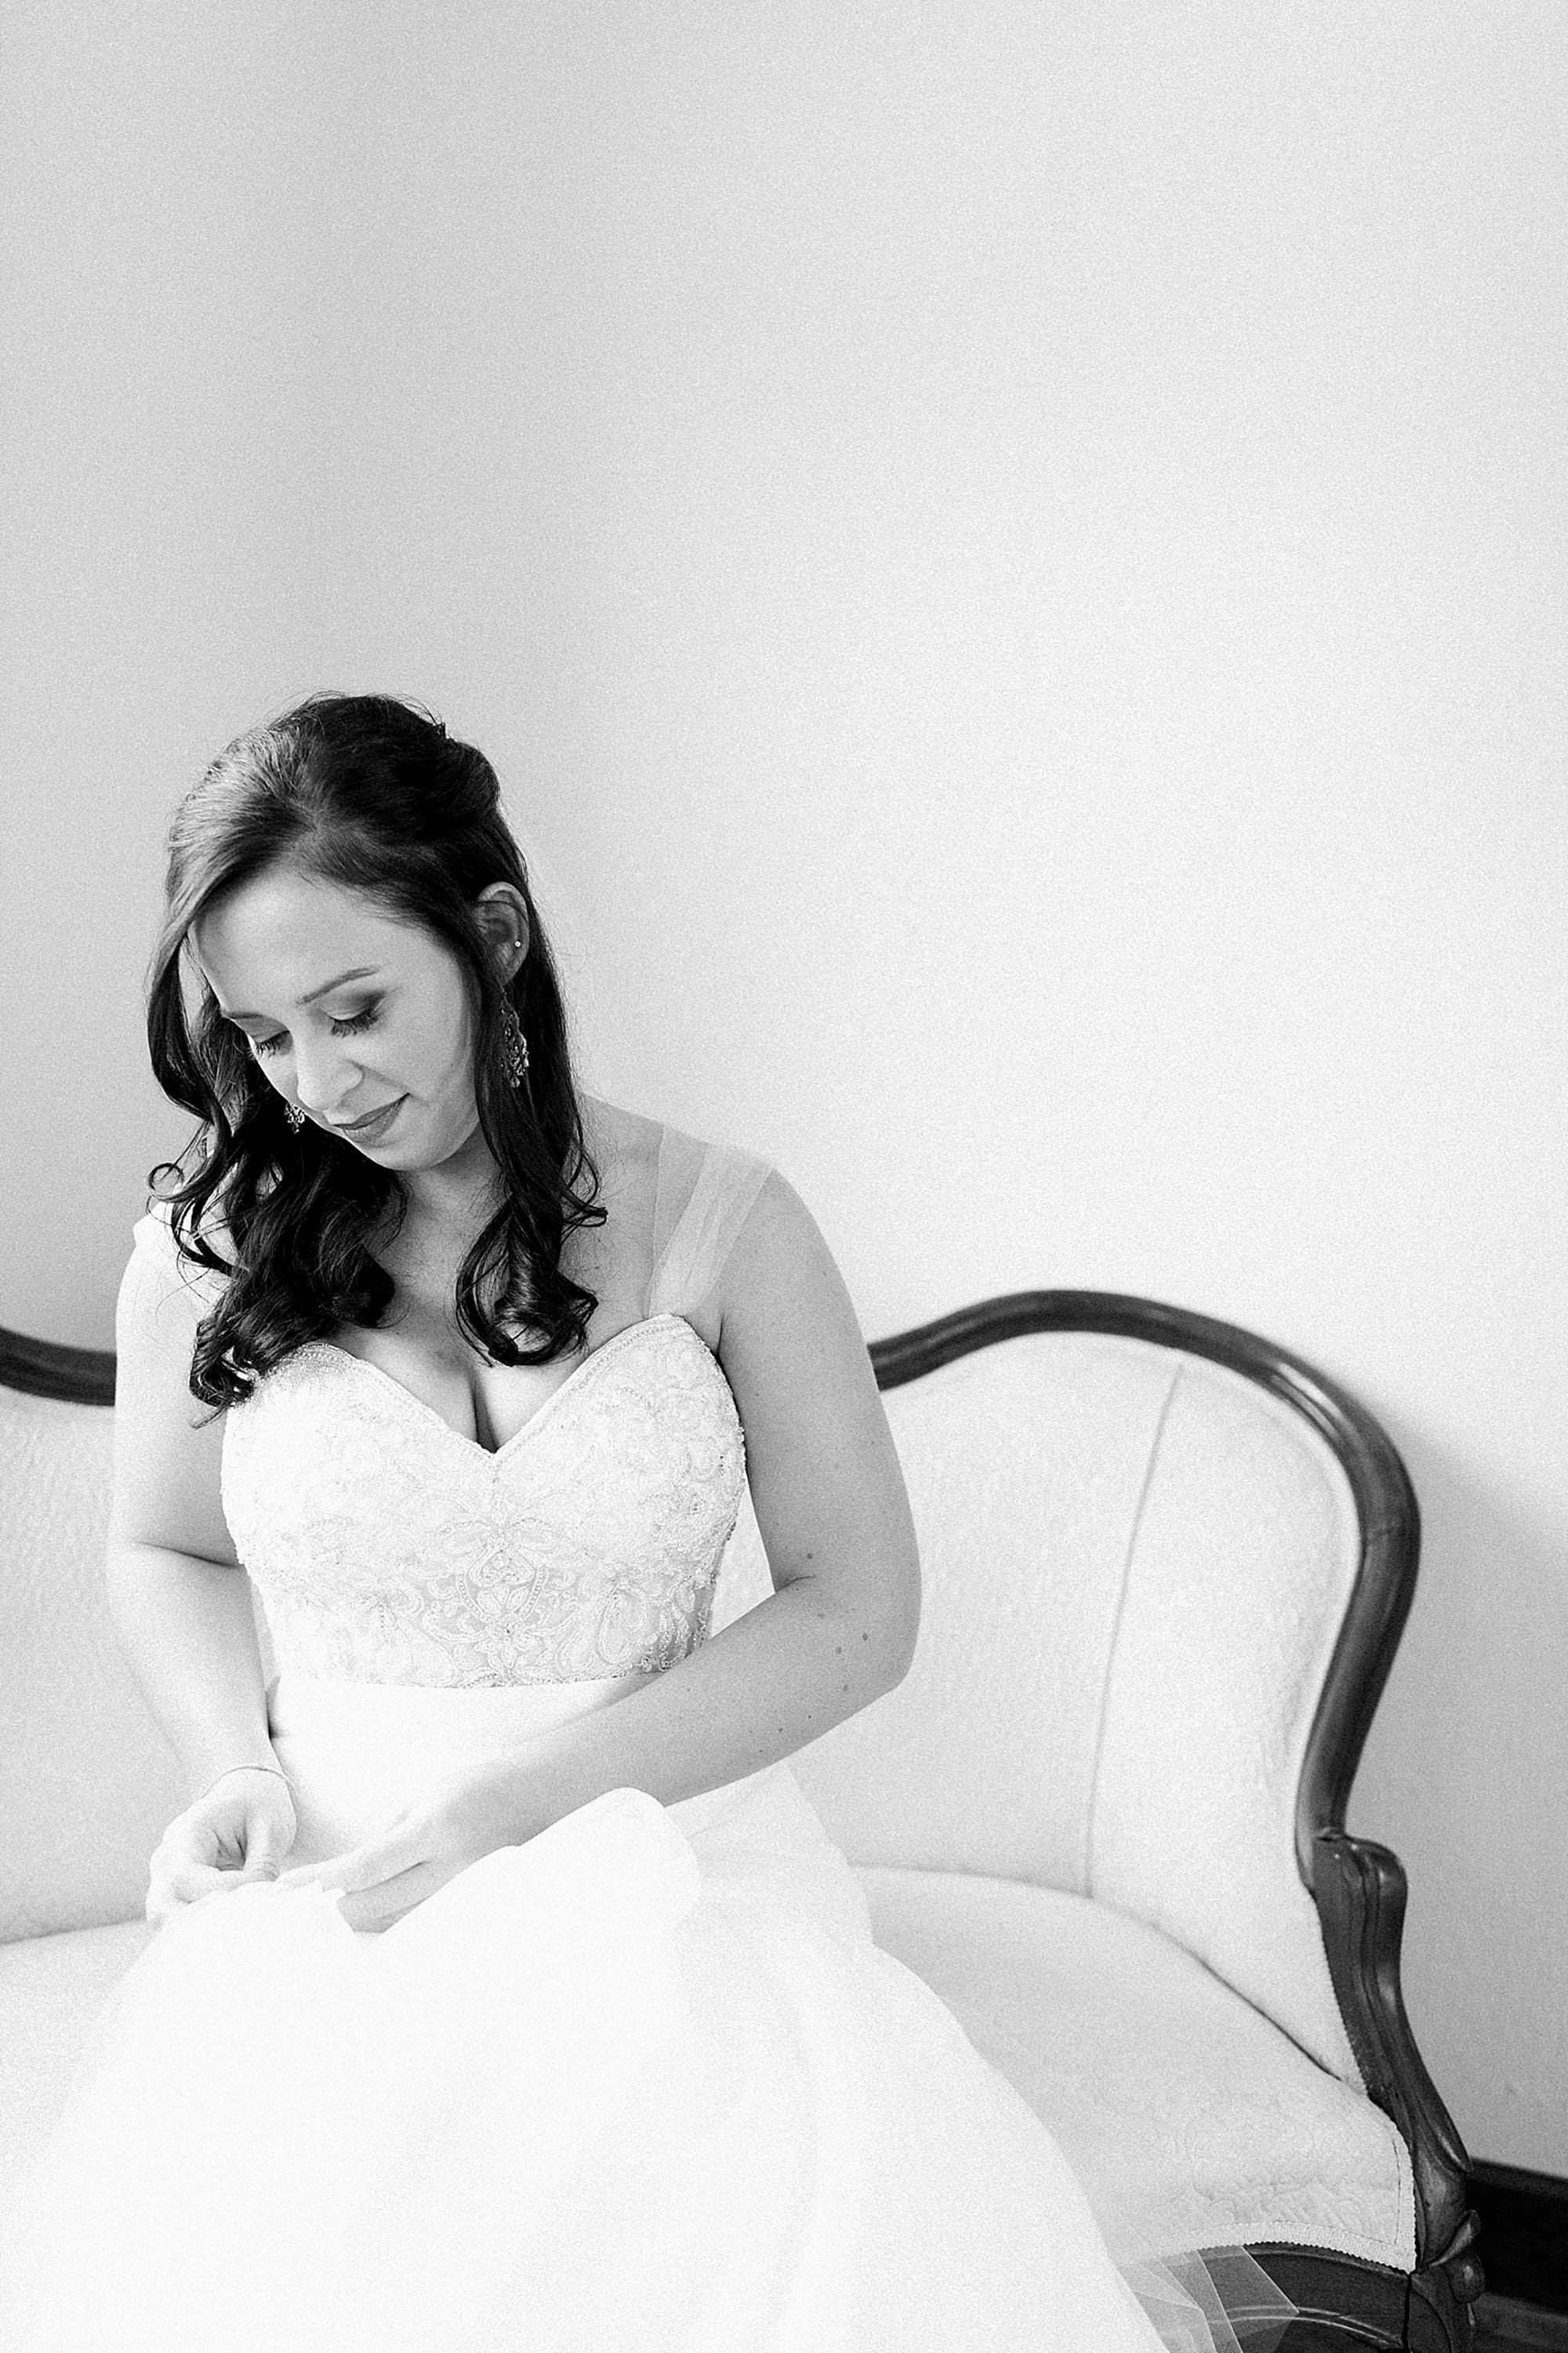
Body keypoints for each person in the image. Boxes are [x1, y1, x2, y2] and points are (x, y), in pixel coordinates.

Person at [0, 695, 1293, 2352]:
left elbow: (855, 1607)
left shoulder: (725, 1223)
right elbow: (163, 1547)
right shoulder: (208, 1243)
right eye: (262, 1037)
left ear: (493, 936)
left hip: (679, 1861)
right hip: (335, 1882)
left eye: (356, 1009)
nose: (316, 1084)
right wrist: (228, 1769)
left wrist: (524, 1805)